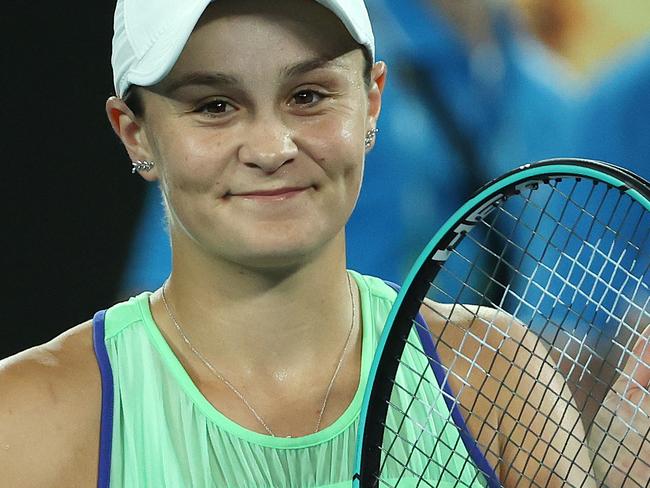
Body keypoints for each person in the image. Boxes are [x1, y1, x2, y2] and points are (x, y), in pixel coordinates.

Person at [0, 0, 646, 486]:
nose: (273, 148)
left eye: (308, 96)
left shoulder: (499, 374)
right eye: (215, 106)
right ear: (134, 134)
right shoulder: (26, 421)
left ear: (371, 104)